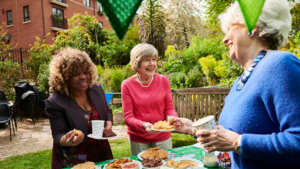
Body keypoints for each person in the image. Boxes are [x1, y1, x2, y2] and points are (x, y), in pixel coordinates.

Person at [194, 0, 300, 168]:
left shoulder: (281, 65)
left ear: (253, 27)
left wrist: (238, 142)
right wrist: (192, 130)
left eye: (230, 29)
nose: (224, 39)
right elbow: (227, 137)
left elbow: (297, 139)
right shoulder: (241, 80)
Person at [45, 48, 113, 169]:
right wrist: (68, 139)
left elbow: (106, 110)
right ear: (64, 77)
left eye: (86, 72)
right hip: (75, 157)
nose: (83, 77)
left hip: (101, 152)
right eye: (76, 74)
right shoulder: (55, 102)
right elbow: (58, 135)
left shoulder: (96, 89)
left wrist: (108, 124)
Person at [121, 43, 178, 156]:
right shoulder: (127, 85)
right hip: (139, 138)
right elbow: (128, 117)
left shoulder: (163, 81)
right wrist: (143, 125)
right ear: (137, 63)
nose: (152, 64)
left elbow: (169, 108)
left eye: (154, 59)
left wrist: (173, 119)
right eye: (147, 60)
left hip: (163, 136)